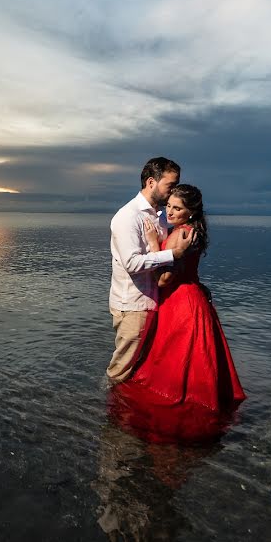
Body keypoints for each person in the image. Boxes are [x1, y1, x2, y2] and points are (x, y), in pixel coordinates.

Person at [114, 184, 246, 438]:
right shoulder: (193, 231)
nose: (170, 212)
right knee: (199, 358)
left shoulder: (179, 235)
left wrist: (154, 243)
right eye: (169, 206)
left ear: (191, 212)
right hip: (194, 299)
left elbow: (164, 279)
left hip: (179, 303)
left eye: (178, 208)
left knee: (172, 362)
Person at [108, 157, 196, 383]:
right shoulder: (128, 216)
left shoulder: (160, 217)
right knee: (120, 371)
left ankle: (125, 413)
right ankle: (107, 413)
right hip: (133, 305)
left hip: (154, 302)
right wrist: (173, 254)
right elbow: (132, 263)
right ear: (151, 182)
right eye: (170, 185)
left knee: (139, 369)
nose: (173, 191)